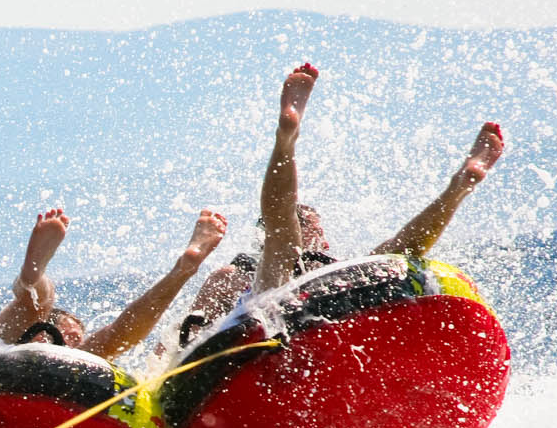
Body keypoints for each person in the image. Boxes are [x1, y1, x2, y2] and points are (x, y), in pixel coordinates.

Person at [176, 63, 507, 347]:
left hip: (302, 326)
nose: (319, 234)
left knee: (377, 257)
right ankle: (456, 190)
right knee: (385, 254)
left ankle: (286, 137)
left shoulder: (312, 273)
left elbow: (183, 339)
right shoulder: (248, 273)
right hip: (268, 329)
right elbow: (191, 337)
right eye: (310, 225)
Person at [0, 206, 229, 361]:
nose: (74, 339)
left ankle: (182, 271)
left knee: (112, 338)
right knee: (33, 307)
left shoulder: (78, 359)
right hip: (5, 354)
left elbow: (116, 333)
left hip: (53, 382)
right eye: (67, 334)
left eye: (76, 337)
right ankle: (32, 276)